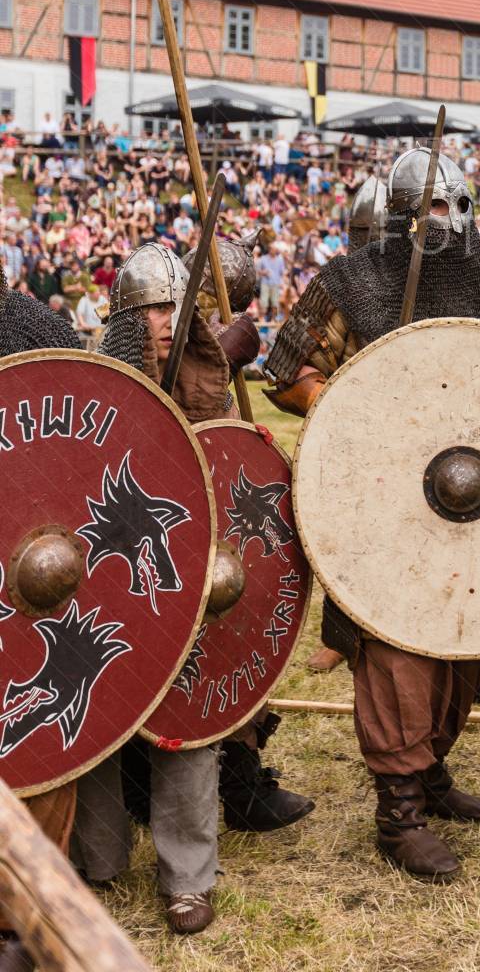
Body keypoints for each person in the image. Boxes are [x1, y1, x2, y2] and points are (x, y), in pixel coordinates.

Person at [264, 147, 480, 881]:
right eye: (429, 206)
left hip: (471, 490)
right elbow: (286, 371)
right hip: (378, 493)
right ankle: (398, 812)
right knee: (397, 646)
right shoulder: (350, 280)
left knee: (463, 638)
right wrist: (350, 402)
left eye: (455, 205)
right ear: (399, 215)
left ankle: (431, 771)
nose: (446, 220)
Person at [72, 243, 312, 936]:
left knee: (186, 726)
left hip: (186, 580)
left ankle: (188, 877)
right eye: (150, 307)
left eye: (174, 305)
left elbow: (220, 477)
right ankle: (98, 859)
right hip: (108, 577)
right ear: (124, 316)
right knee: (102, 723)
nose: (164, 319)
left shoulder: (202, 378)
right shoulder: (98, 379)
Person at [0, 260, 81, 972]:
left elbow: (99, 425)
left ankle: (28, 916)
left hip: (34, 574)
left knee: (42, 745)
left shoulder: (34, 326)